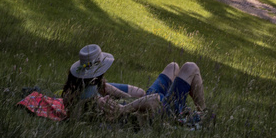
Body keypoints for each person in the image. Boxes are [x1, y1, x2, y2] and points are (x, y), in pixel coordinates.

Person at [62, 44, 205, 122]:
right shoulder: (94, 102)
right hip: (162, 109)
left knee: (173, 66)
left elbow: (135, 93)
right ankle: (204, 114)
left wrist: (133, 100)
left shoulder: (83, 86)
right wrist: (125, 108)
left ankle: (195, 110)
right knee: (190, 67)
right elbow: (154, 101)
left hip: (147, 102)